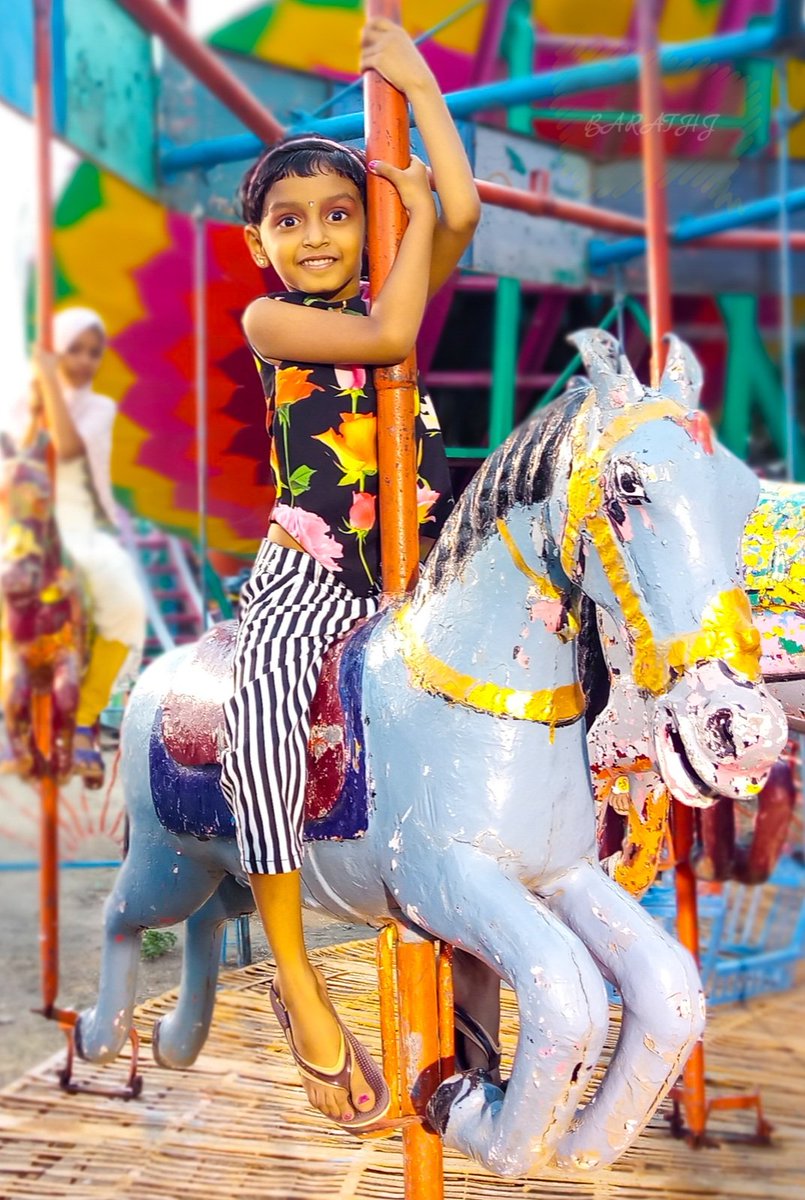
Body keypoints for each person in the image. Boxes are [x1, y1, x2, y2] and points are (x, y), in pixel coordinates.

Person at [220, 17, 480, 1133]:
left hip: (415, 580)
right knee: (269, 688)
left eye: (340, 215)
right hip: (311, 574)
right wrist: (406, 217)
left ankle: (476, 957)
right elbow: (381, 342)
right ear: (257, 243)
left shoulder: (397, 287)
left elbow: (459, 209)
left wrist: (419, 89)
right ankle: (291, 961)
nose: (318, 236)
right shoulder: (273, 316)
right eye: (291, 221)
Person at [25, 307, 147, 786]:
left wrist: (51, 384)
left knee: (125, 605)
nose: (86, 360)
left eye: (94, 352)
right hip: (19, 525)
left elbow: (70, 449)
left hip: (75, 526)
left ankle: (84, 717)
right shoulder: (15, 403)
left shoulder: (98, 408)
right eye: (75, 349)